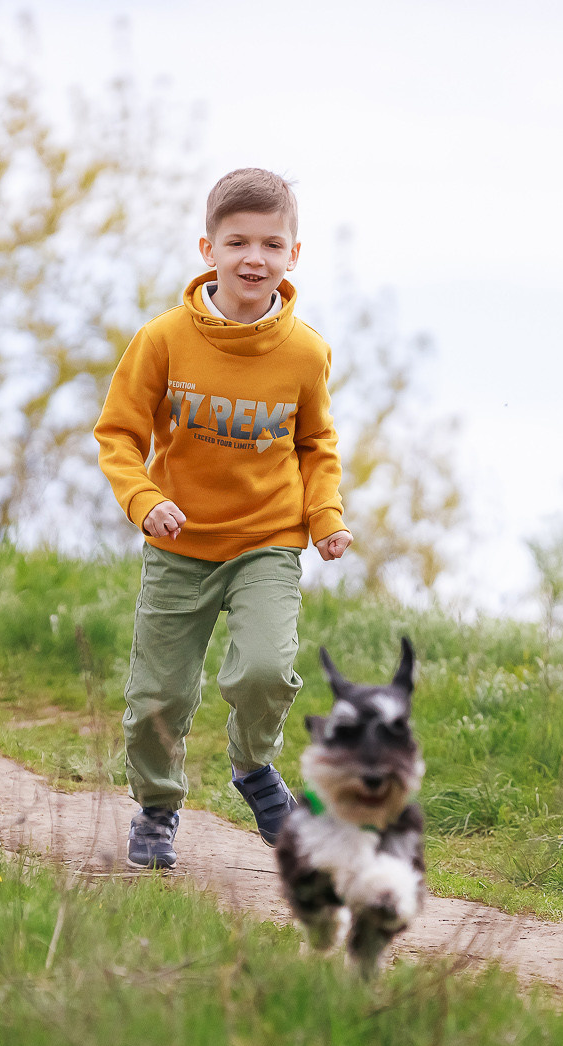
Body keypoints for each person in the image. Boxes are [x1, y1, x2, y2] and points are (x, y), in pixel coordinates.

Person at [94, 167, 353, 870]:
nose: (253, 258)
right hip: (180, 546)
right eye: (237, 241)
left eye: (271, 244)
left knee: (265, 670)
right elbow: (117, 435)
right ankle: (156, 808)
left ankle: (253, 769)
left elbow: (316, 445)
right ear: (207, 248)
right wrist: (146, 501)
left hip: (267, 542)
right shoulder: (165, 340)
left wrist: (324, 516)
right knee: (160, 693)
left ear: (292, 256)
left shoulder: (306, 352)